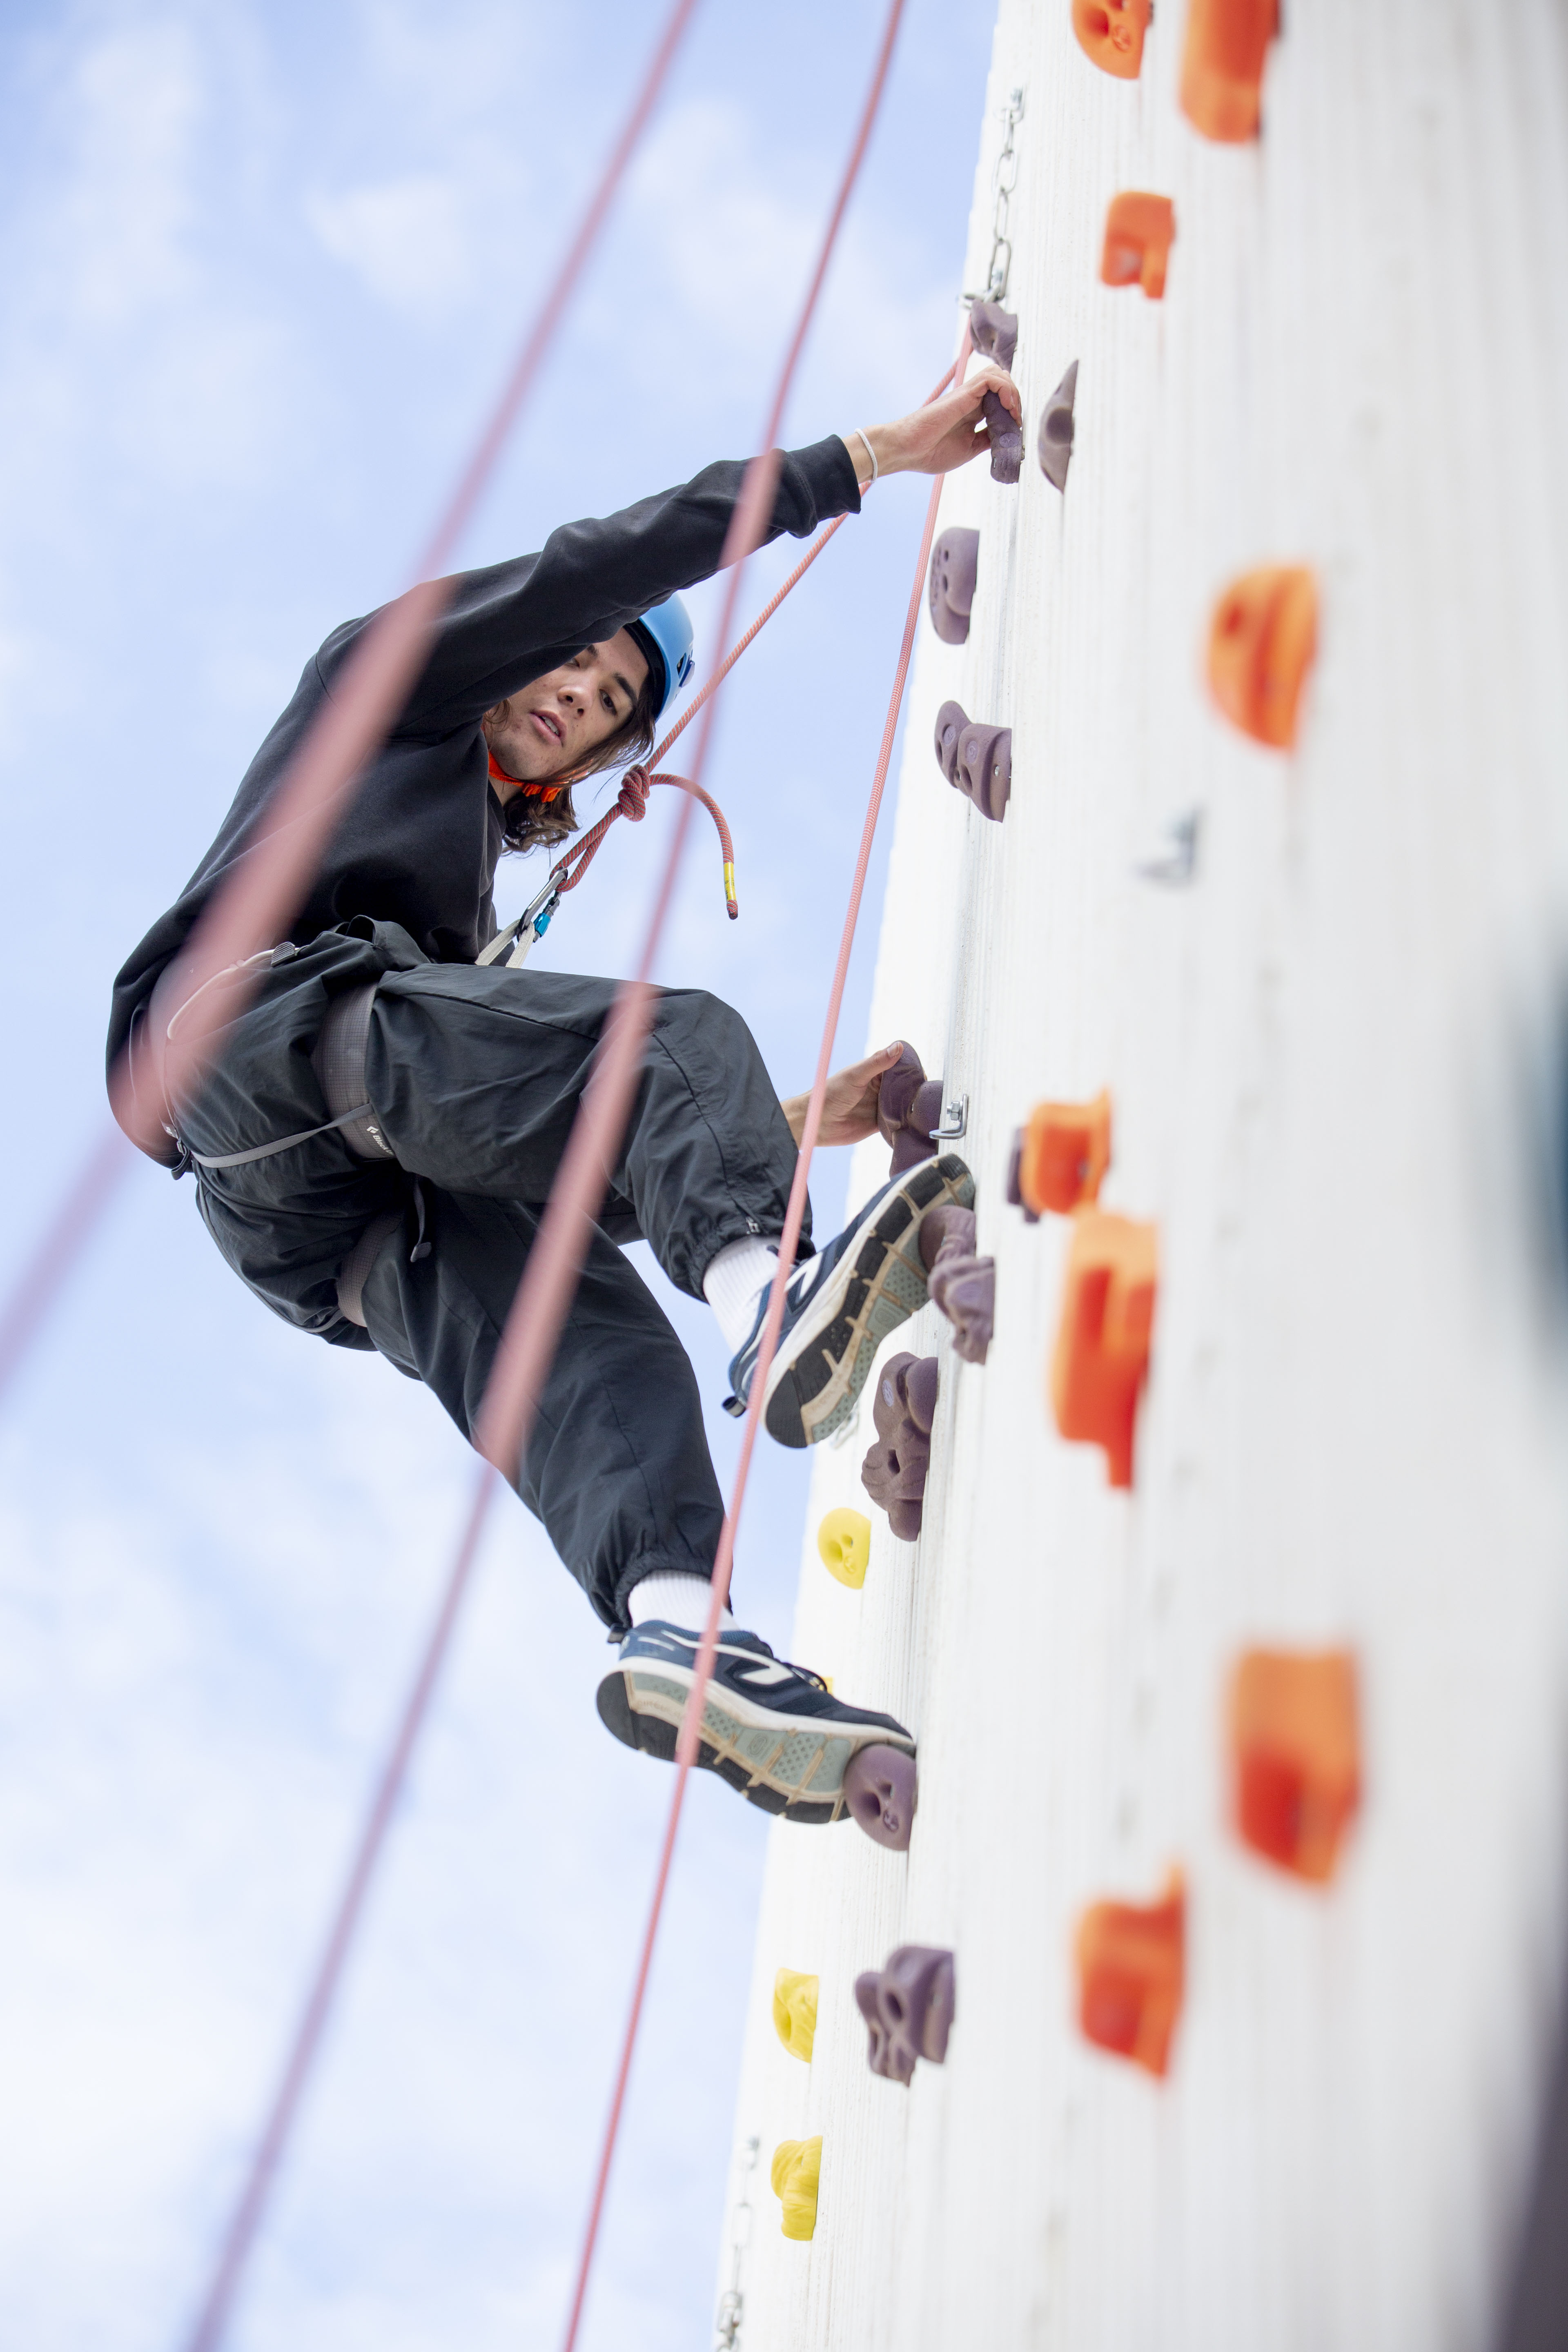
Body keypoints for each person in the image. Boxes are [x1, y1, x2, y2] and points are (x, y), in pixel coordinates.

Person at [108, 365, 1021, 1827]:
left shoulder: (455, 921)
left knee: (590, 1323)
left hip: (333, 1223)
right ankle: (771, 1302)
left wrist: (782, 1131)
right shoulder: (387, 688)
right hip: (257, 1027)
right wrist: (856, 462)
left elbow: (540, 1124)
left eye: (608, 706)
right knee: (668, 1035)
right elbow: (598, 564)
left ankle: (678, 1624)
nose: (578, 696)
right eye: (575, 669)